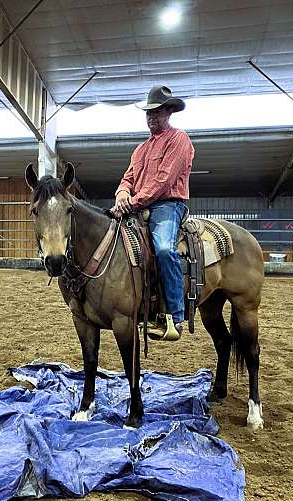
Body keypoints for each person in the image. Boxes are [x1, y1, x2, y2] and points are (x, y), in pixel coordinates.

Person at [111, 85, 195, 341]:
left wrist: (133, 202)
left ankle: (175, 315)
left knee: (163, 249)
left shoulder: (179, 140)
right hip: (138, 204)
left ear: (169, 112)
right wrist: (122, 193)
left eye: (157, 112)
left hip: (167, 205)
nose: (151, 117)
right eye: (148, 112)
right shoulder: (140, 150)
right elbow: (128, 178)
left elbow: (162, 181)